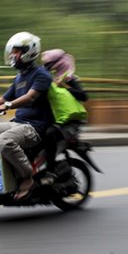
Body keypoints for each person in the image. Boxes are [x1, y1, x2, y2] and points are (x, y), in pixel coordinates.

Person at [0, 31, 54, 200]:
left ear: (27, 52)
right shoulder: (20, 76)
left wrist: (4, 107)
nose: (12, 55)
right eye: (12, 51)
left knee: (5, 140)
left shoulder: (41, 74)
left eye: (16, 51)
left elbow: (30, 97)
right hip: (19, 123)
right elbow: (6, 97)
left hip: (35, 127)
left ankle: (27, 176)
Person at [40, 49, 88, 182]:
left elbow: (84, 96)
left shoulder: (70, 78)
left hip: (71, 123)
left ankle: (49, 172)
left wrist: (66, 86)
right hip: (58, 120)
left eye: (49, 64)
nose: (47, 67)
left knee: (49, 134)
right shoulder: (52, 79)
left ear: (59, 63)